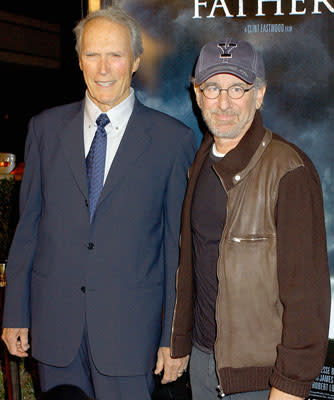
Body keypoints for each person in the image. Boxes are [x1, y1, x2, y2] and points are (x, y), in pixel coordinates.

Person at [1, 7, 195, 399]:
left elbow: (177, 250)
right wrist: (16, 313)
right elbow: (28, 228)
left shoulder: (172, 141)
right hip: (55, 331)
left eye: (116, 55)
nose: (103, 68)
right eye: (92, 54)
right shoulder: (44, 130)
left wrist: (174, 336)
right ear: (78, 60)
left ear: (136, 61)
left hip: (130, 337)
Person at [170, 38, 330, 399]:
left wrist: (290, 385)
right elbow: (191, 262)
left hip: (262, 380)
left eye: (238, 89)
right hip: (202, 362)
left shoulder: (289, 171)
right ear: (197, 94)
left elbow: (309, 296)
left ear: (259, 95)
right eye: (213, 87)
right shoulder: (202, 161)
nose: (224, 102)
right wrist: (182, 343)